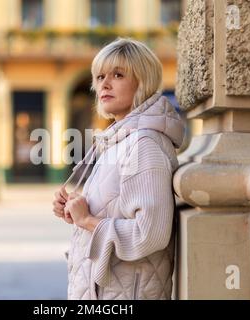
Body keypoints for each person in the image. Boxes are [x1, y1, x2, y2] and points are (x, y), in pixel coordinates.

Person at [52, 38, 185, 300]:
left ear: (142, 81)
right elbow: (115, 209)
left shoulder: (143, 143)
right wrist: (77, 209)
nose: (105, 84)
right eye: (100, 76)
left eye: (118, 75)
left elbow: (150, 234)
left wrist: (87, 220)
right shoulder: (119, 139)